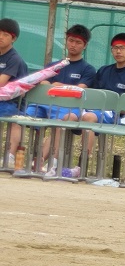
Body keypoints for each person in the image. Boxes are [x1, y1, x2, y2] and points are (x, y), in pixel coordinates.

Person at [25, 24, 97, 172]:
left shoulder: (88, 69)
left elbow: (80, 89)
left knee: (61, 121)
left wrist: (57, 86)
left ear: (85, 45)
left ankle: (48, 162)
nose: (73, 45)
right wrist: (57, 87)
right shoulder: (54, 65)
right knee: (20, 116)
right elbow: (43, 83)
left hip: (69, 108)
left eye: (78, 42)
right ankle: (13, 156)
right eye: (71, 40)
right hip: (46, 105)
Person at [79, 33, 125, 155]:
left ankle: (84, 160)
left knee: (88, 118)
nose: (118, 51)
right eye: (115, 48)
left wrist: (112, 107)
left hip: (118, 115)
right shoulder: (104, 70)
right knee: (67, 116)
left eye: (122, 48)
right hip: (95, 109)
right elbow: (94, 93)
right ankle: (54, 160)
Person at [0, 17, 30, 162]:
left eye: (5, 34)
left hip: (14, 104)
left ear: (14, 39)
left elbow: (1, 83)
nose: (0, 37)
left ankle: (10, 156)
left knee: (15, 122)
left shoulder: (14, 58)